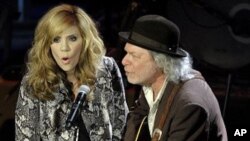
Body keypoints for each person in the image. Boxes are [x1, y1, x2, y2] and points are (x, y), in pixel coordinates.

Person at [15, 4, 129, 141]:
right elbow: (25, 137)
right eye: (56, 40)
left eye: (72, 39)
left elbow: (121, 126)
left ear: (85, 41)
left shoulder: (106, 69)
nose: (64, 48)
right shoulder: (33, 82)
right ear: (47, 44)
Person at [119, 15, 227, 141]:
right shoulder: (152, 83)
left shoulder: (189, 106)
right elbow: (137, 121)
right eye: (127, 53)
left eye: (135, 56)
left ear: (161, 62)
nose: (124, 61)